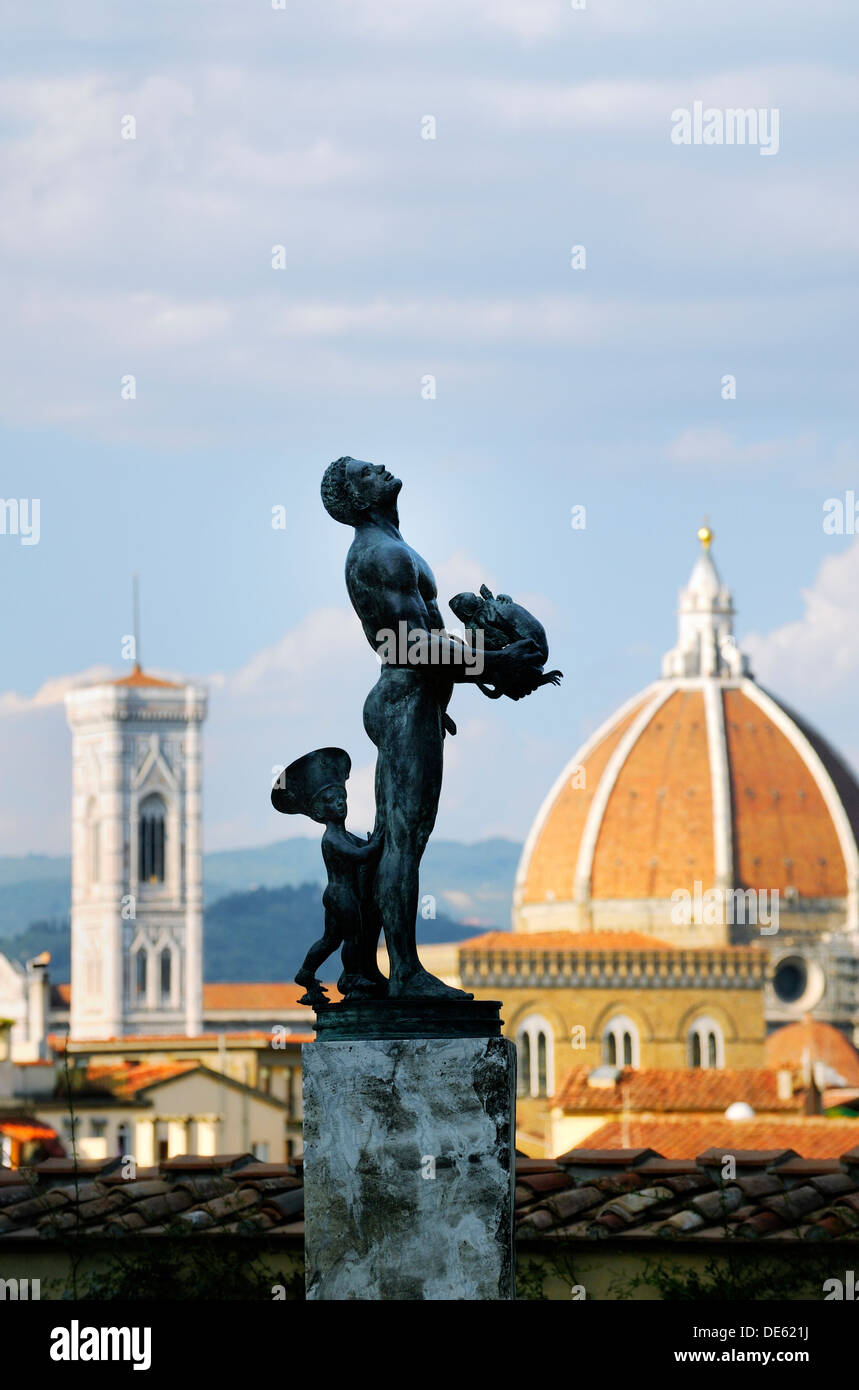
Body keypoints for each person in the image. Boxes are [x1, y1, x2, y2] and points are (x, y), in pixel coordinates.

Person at [320, 456, 539, 999]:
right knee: (405, 837)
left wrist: (482, 670)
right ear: (358, 498)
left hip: (415, 700)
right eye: (366, 472)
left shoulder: (393, 547)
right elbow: (409, 645)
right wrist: (493, 664)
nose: (381, 467)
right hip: (406, 699)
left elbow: (423, 643)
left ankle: (361, 970)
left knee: (393, 837)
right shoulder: (382, 553)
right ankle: (406, 973)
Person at [272, 746, 384, 1004]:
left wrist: (370, 844)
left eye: (341, 798)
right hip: (341, 894)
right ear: (320, 813)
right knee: (353, 935)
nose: (339, 803)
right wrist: (377, 843)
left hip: (337, 895)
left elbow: (359, 846)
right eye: (331, 801)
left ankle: (306, 972)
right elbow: (360, 855)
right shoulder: (332, 838)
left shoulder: (343, 836)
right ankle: (352, 975)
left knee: (330, 940)